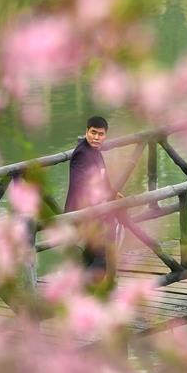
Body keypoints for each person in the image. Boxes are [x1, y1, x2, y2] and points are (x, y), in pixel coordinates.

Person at [65, 116, 122, 278]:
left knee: (91, 256)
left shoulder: (94, 151)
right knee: (103, 257)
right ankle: (83, 289)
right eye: (93, 133)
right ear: (86, 132)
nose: (96, 138)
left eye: (101, 134)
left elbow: (102, 176)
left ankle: (79, 290)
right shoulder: (82, 154)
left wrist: (112, 193)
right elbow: (79, 184)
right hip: (84, 213)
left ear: (105, 135)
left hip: (96, 213)